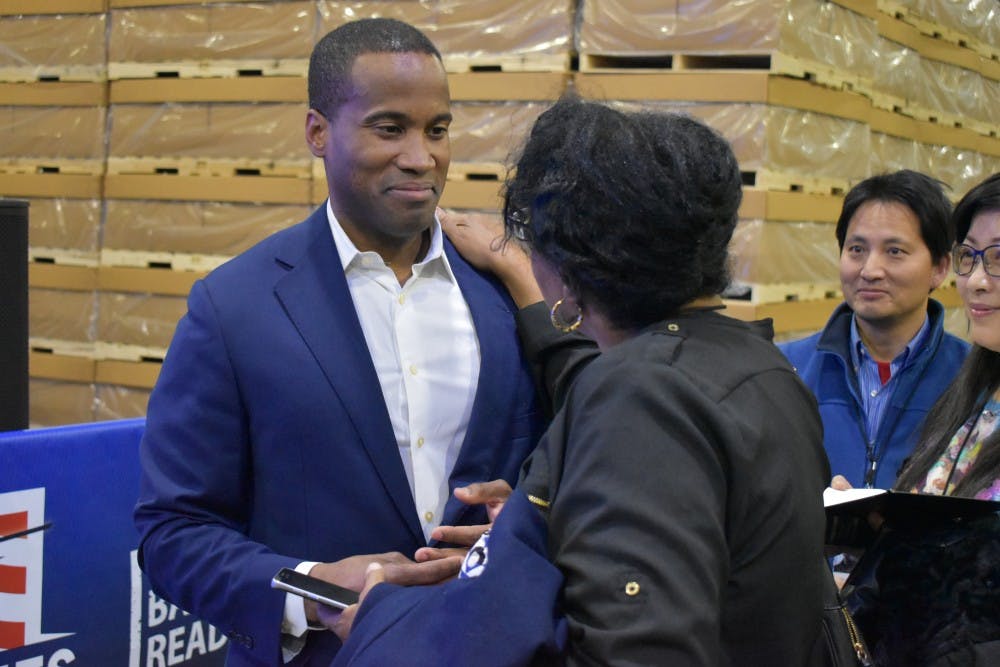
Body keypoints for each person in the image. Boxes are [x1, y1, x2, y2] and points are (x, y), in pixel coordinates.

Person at [327, 97, 833, 666]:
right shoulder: (760, 364)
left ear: (571, 260)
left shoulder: (640, 395)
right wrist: (539, 531)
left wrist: (388, 625)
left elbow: (633, 648)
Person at [133, 18, 543, 666]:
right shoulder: (233, 308)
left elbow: (563, 473)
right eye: (390, 128)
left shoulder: (505, 292)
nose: (421, 157)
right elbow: (173, 534)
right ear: (317, 132)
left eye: (437, 130)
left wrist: (518, 527)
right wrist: (313, 586)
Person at [842, 173, 1000, 665]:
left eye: (999, 258)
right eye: (971, 256)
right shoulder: (975, 394)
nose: (975, 279)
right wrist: (879, 531)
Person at [780, 170, 969, 489]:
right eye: (856, 249)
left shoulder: (974, 381)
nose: (870, 270)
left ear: (939, 268)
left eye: (894, 251)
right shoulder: (786, 370)